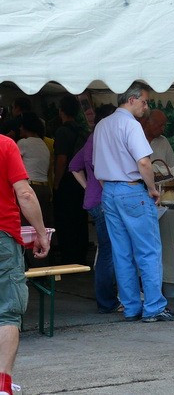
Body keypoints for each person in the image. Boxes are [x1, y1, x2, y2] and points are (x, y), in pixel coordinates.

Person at [93, 83, 174, 323]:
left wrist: (110, 188)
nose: (146, 106)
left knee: (121, 253)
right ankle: (153, 307)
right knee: (148, 251)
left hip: (109, 191)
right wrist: (152, 189)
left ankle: (131, 307)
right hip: (131, 189)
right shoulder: (130, 124)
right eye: (144, 101)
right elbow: (144, 162)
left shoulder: (102, 125)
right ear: (131, 100)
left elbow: (96, 165)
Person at [0, 135, 50, 395]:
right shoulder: (5, 145)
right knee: (7, 311)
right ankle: (2, 385)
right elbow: (25, 193)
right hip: (2, 237)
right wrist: (41, 232)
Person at [69, 104, 120, 314]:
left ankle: (108, 298)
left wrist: (87, 187)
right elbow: (102, 173)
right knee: (110, 252)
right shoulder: (103, 139)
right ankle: (107, 301)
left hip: (94, 201)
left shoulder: (92, 138)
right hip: (105, 202)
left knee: (105, 251)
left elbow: (74, 166)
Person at [53, 95, 89, 265]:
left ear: (61, 111)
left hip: (67, 180)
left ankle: (69, 256)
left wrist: (56, 182)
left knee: (66, 219)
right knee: (80, 218)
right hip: (82, 180)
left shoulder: (62, 131)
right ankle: (81, 254)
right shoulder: (82, 130)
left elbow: (61, 159)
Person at [17, 113, 54, 266]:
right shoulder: (43, 144)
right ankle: (44, 263)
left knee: (28, 229)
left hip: (30, 188)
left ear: (25, 128)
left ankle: (32, 265)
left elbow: (13, 165)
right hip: (45, 189)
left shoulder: (23, 143)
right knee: (42, 227)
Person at [139, 109, 174, 196]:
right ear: (148, 122)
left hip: (161, 193)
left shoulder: (163, 141)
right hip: (139, 191)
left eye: (164, 126)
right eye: (160, 125)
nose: (163, 129)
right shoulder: (136, 139)